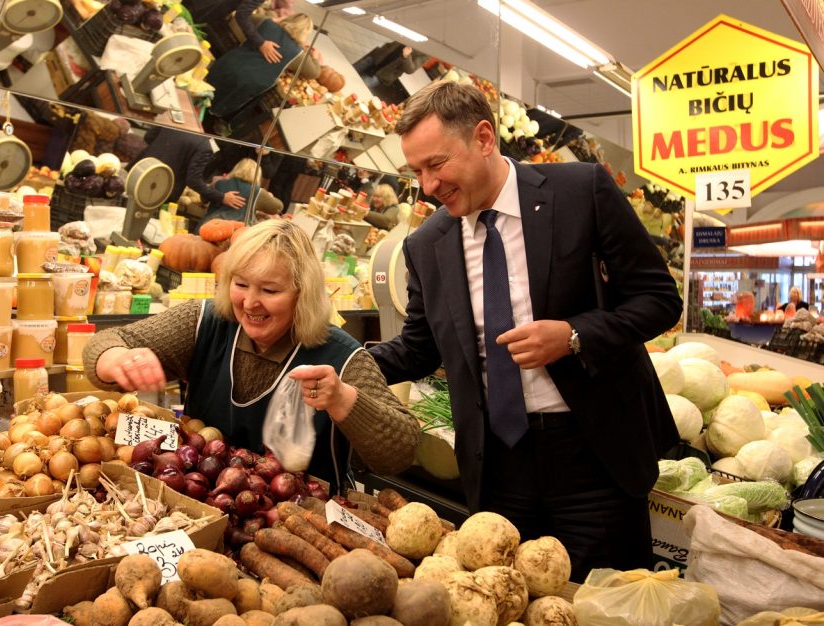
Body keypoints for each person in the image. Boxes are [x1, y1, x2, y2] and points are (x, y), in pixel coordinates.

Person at [367, 81, 683, 579]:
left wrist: (574, 335)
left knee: (607, 603)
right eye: (416, 171)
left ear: (485, 138)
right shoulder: (427, 245)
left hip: (594, 455)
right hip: (498, 468)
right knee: (509, 601)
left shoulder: (581, 192)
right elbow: (418, 348)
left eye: (437, 164)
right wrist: (343, 359)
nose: (427, 186)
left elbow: (660, 300)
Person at [84, 220, 420, 490]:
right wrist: (114, 357)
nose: (249, 303)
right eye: (241, 284)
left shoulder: (342, 356)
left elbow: (401, 450)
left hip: (304, 523)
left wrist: (345, 400)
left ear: (301, 295)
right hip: (203, 504)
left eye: (270, 290)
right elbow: (110, 341)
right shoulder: (205, 322)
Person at [206, 13, 320, 124]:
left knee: (203, 87)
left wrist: (275, 19)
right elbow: (314, 73)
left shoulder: (266, 22)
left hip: (232, 62)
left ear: (289, 19)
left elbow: (246, 17)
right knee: (218, 103)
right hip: (248, 83)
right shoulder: (297, 53)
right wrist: (315, 58)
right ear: (305, 34)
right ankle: (209, 116)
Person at [133, 126, 245, 218]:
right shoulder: (205, 147)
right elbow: (193, 180)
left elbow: (149, 137)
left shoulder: (178, 125)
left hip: (139, 172)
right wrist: (221, 197)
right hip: (160, 190)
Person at [199, 158, 283, 226]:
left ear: (236, 169)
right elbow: (278, 207)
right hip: (236, 234)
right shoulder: (257, 192)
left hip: (209, 225)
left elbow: (203, 199)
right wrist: (270, 197)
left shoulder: (219, 183)